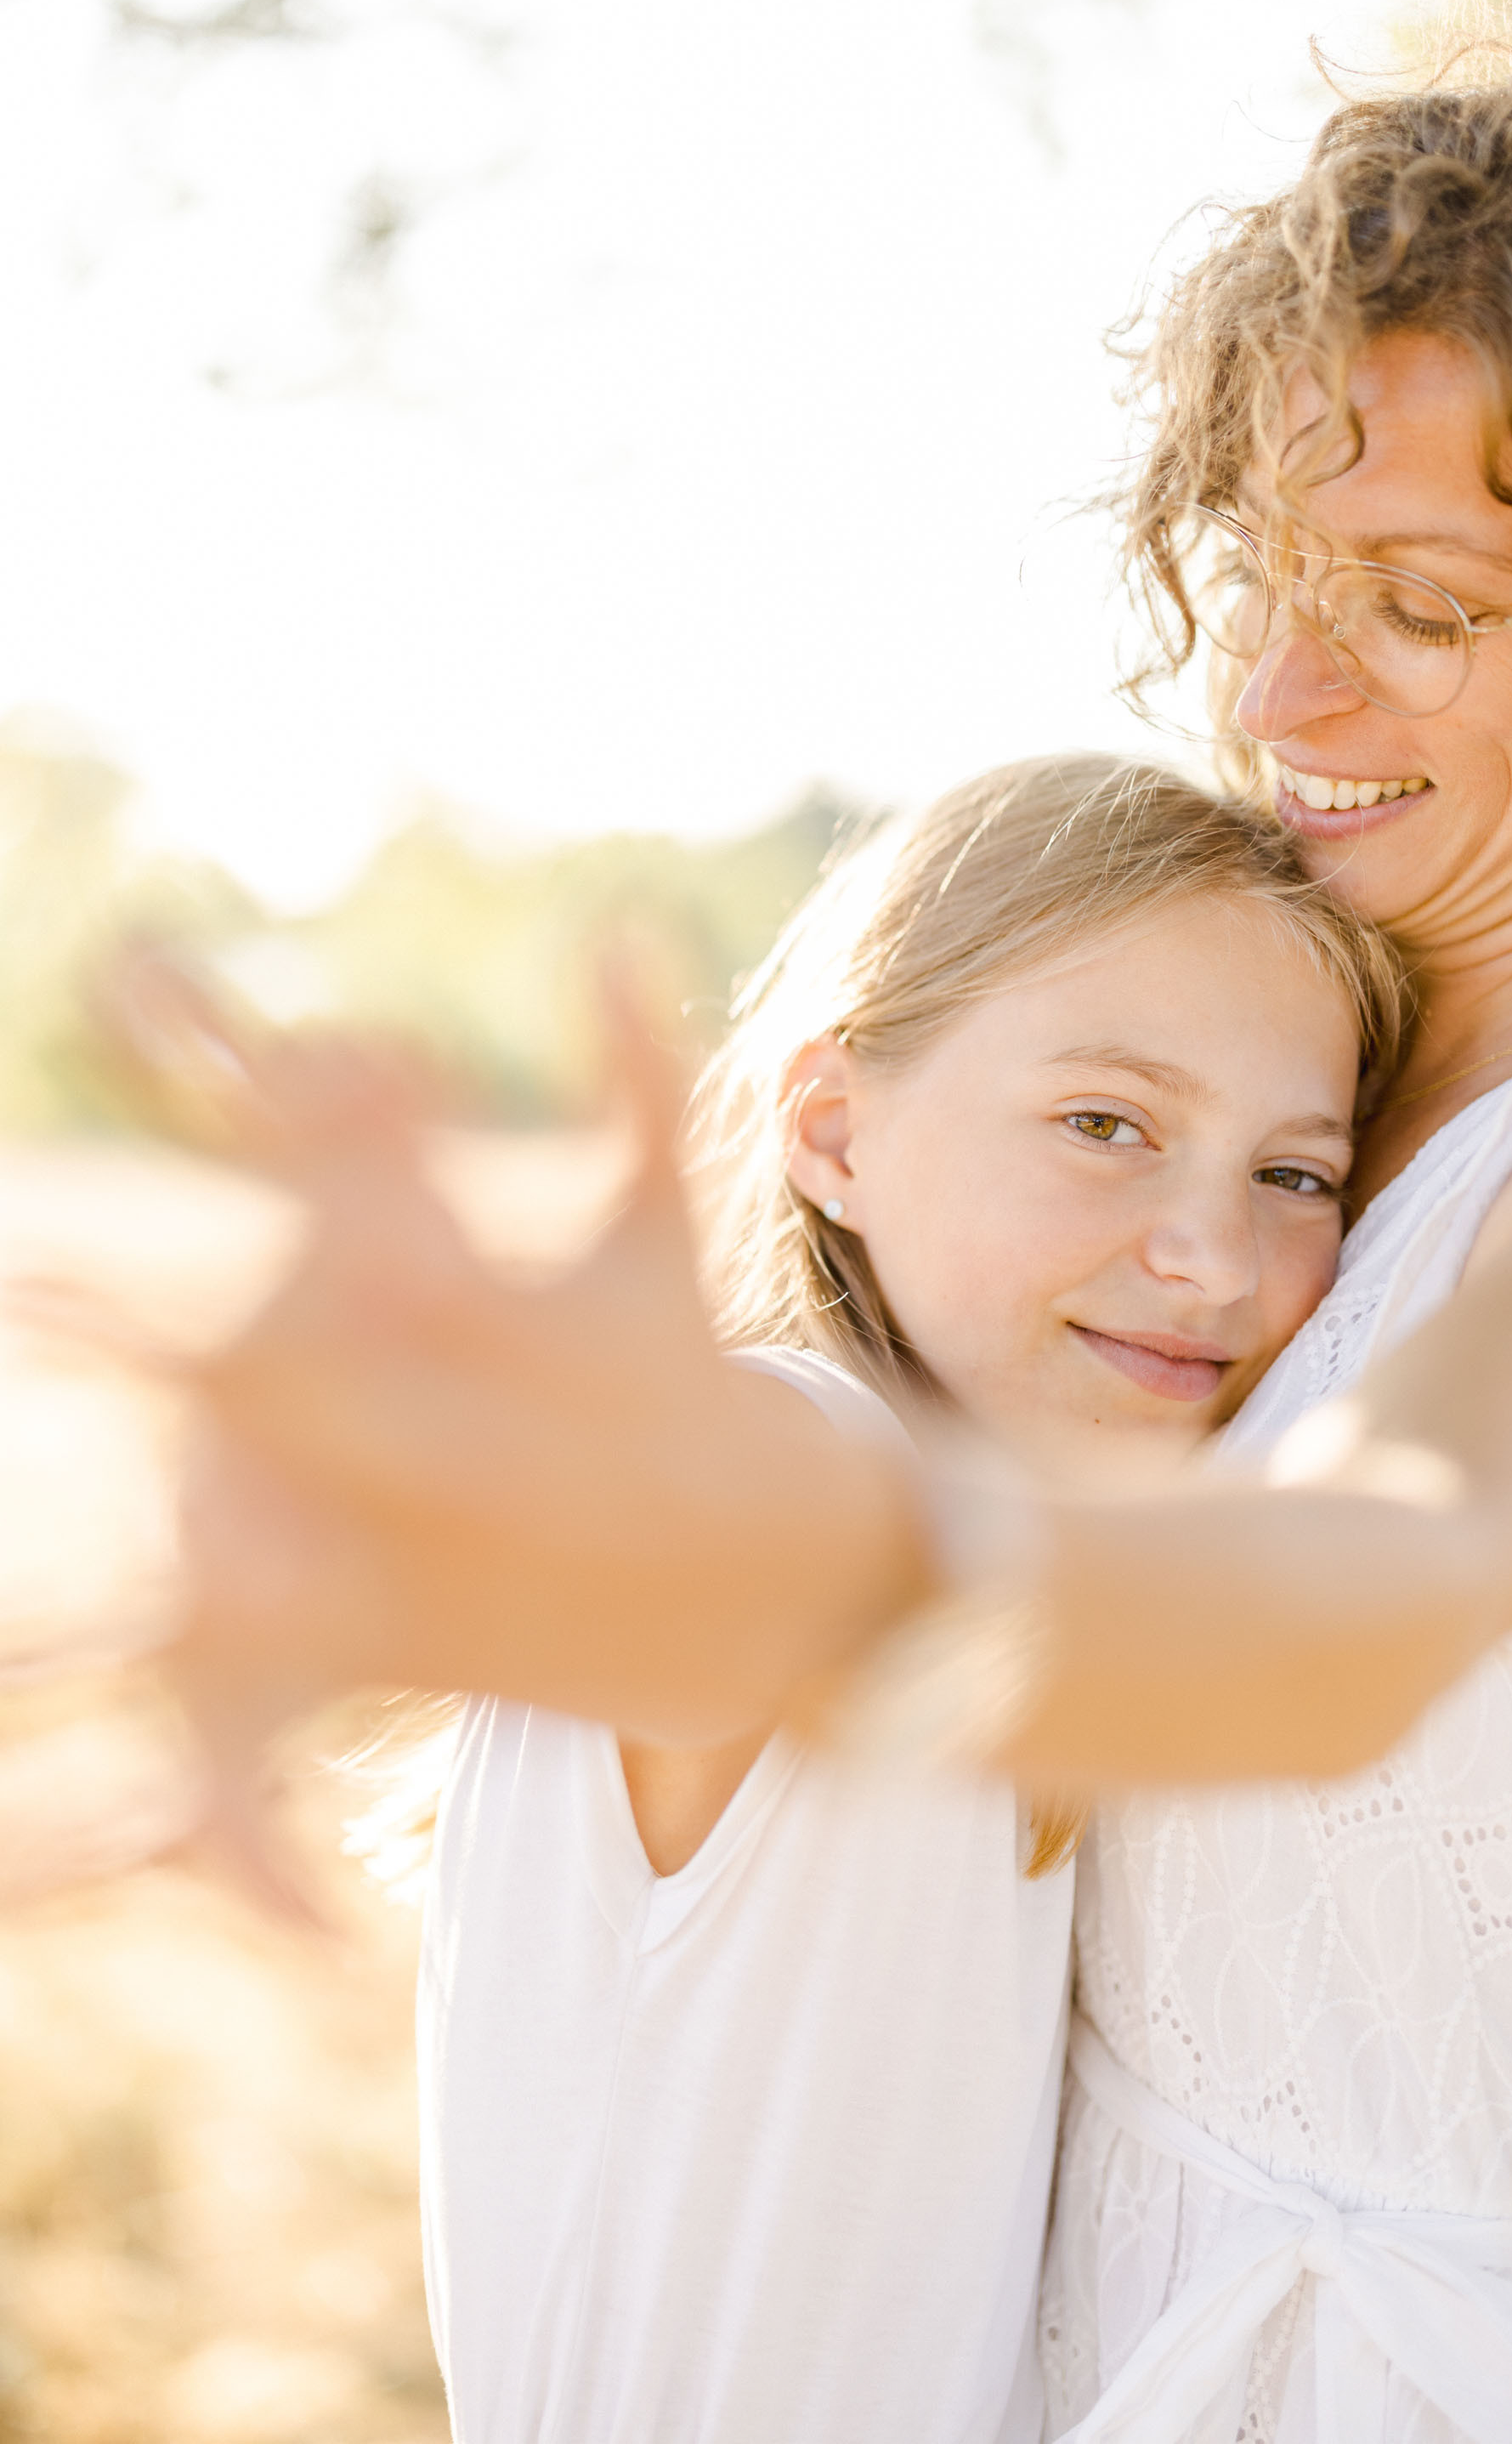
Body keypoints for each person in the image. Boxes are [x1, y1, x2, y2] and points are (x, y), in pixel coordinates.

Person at [150, 12, 1512, 2441]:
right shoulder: (1317, 1112)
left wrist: (827, 1566)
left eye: (1424, 604)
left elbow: (1376, 1583)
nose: (1274, 684)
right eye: (1267, 575)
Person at [413, 751, 1403, 2444]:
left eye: (1294, 1175)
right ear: (834, 1135)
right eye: (1107, 1124)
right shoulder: (812, 1454)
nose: (1214, 1258)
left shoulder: (1049, 1614)